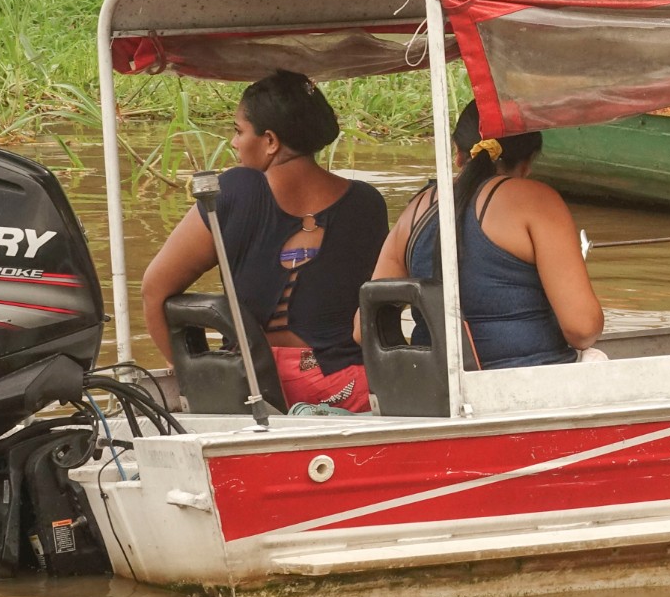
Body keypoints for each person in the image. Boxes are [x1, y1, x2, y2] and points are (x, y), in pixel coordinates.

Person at [143, 70, 388, 411]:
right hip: (342, 387)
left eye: (238, 131)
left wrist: (191, 374)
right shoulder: (367, 202)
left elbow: (154, 290)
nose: (234, 142)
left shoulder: (235, 189)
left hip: (251, 388)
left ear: (271, 141)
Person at [368, 101, 603, 369]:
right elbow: (582, 329)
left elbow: (364, 328)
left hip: (437, 390)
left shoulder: (415, 211)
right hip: (531, 383)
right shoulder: (536, 200)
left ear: (458, 154)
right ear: (527, 163)